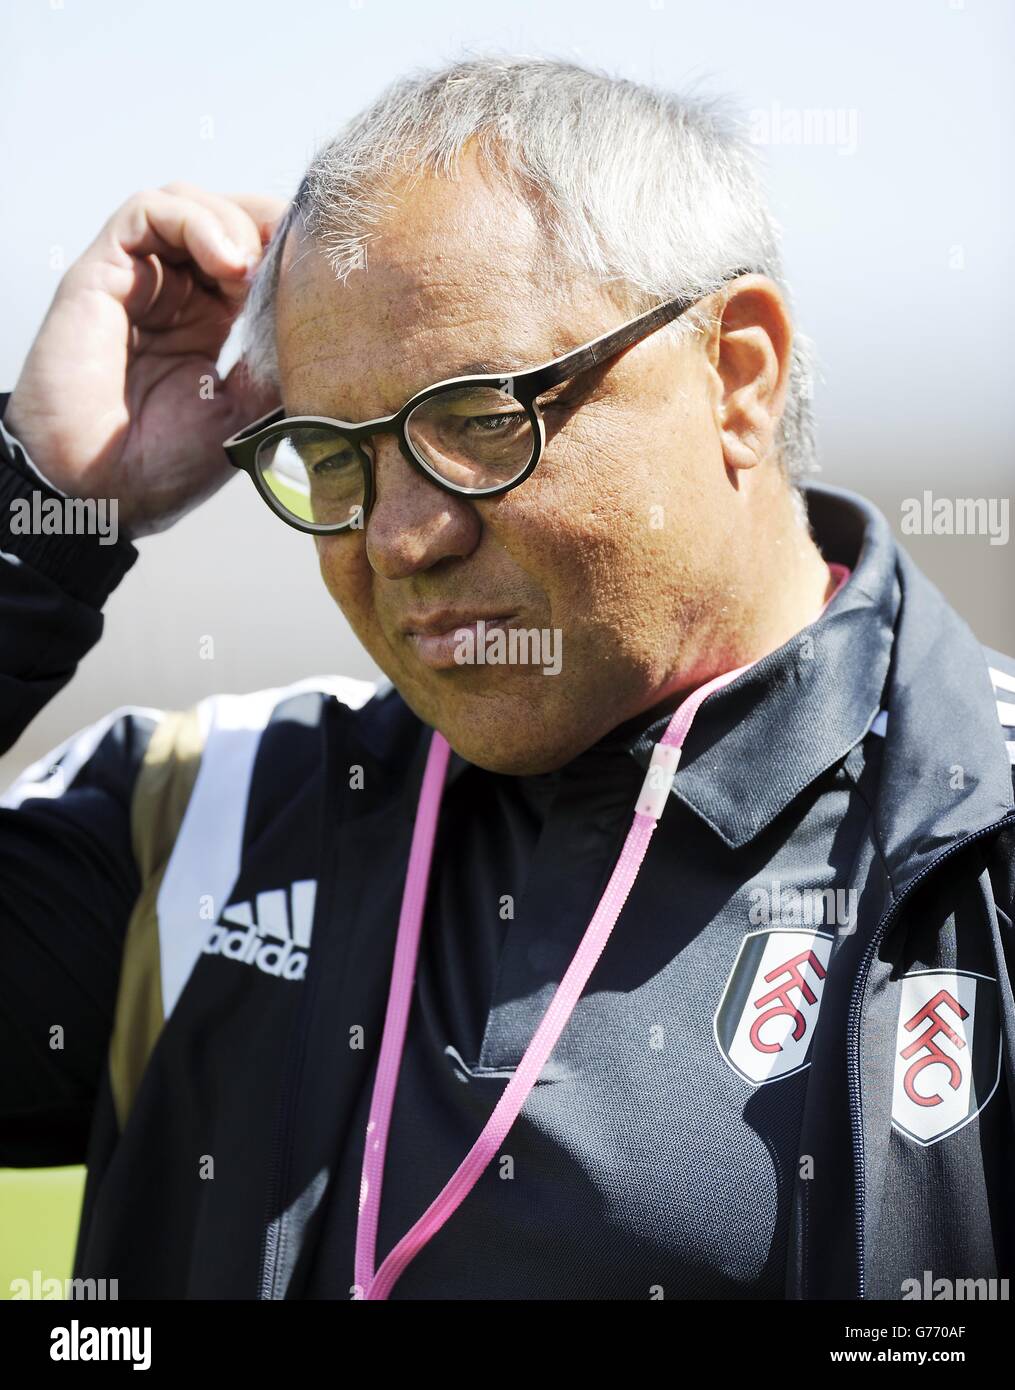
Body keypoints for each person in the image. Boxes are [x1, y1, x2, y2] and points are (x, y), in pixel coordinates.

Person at [1, 55, 1013, 1302]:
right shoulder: (195, 823)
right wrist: (37, 508)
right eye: (331, 452)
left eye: (478, 418)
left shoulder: (979, 839)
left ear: (735, 374)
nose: (397, 539)